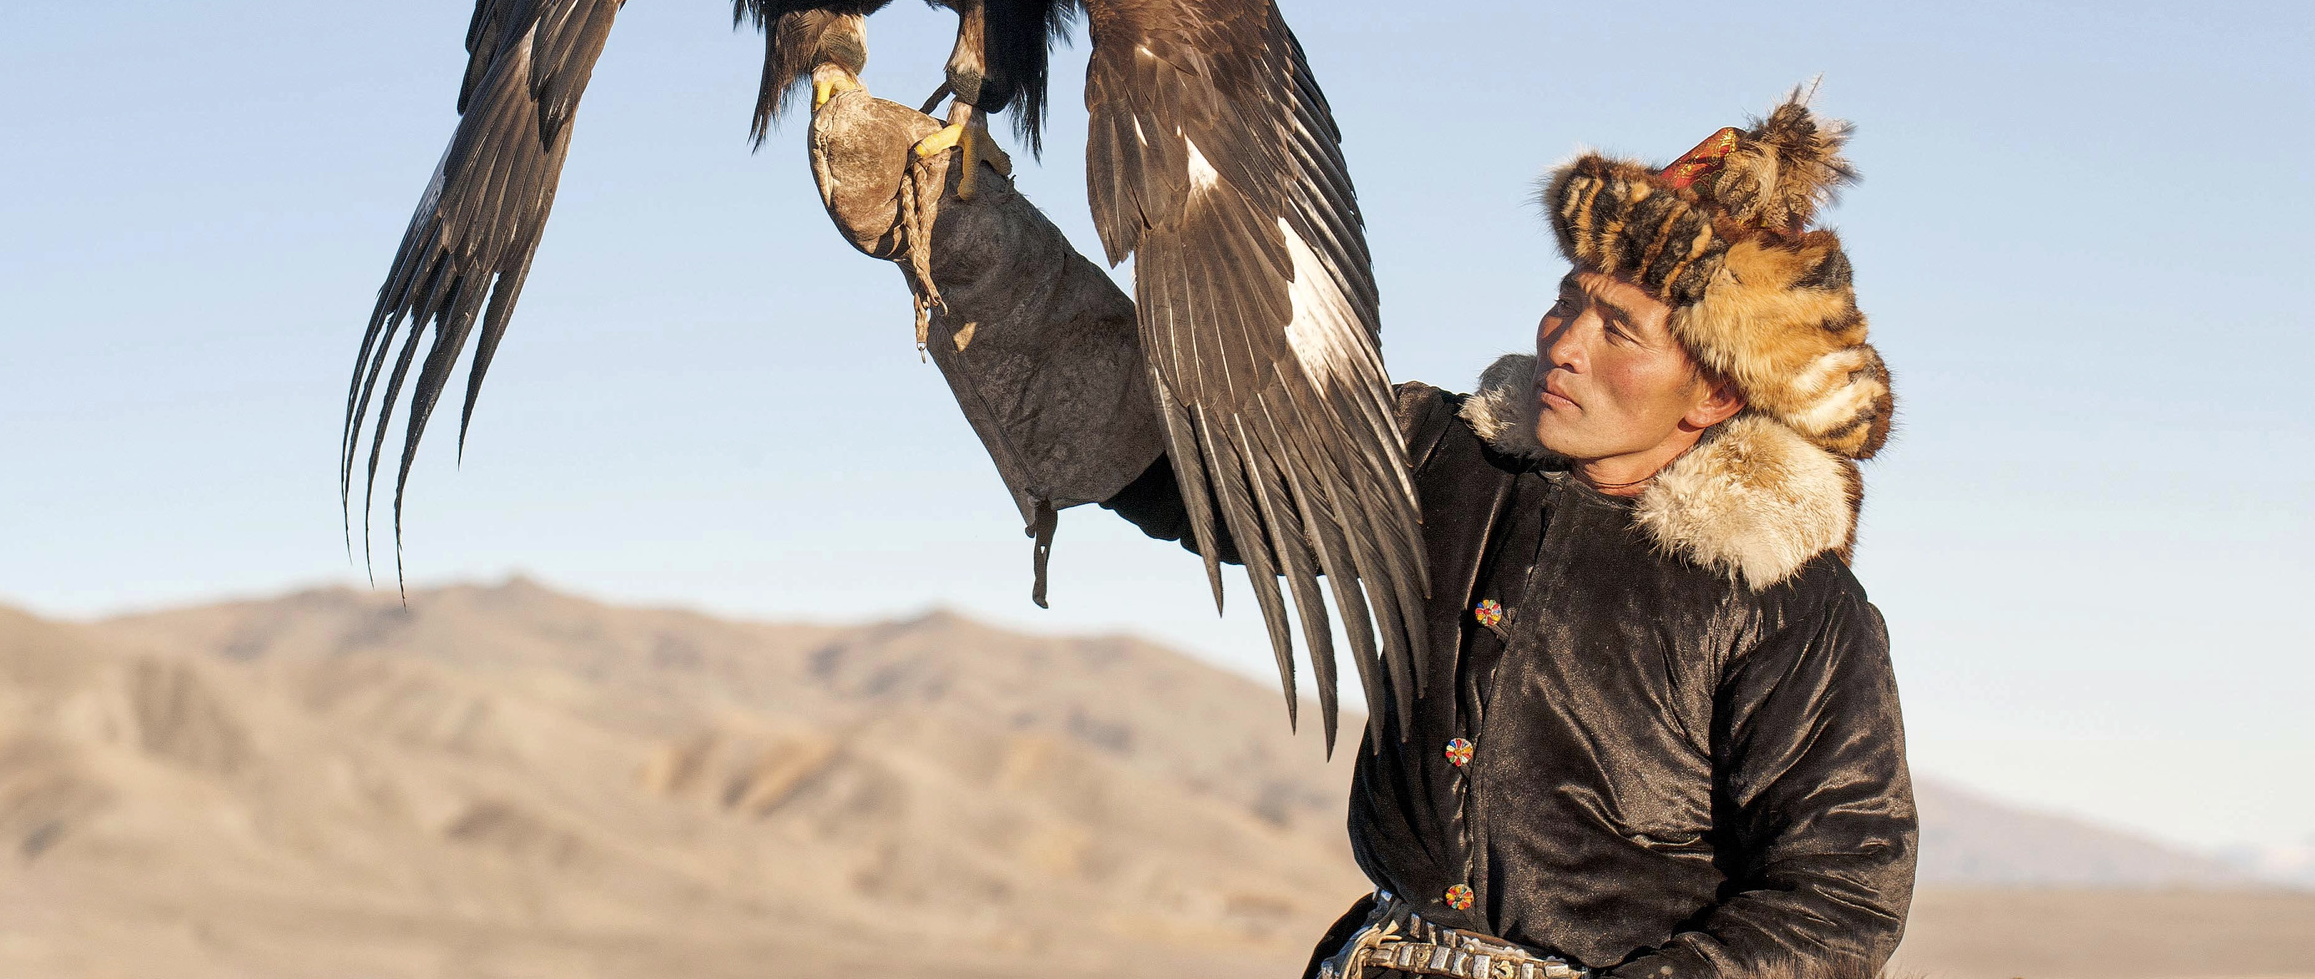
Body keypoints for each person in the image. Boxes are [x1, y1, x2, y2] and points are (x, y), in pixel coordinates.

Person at [806, 82, 1917, 978]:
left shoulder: (1788, 605)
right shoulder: (1439, 455)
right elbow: (1183, 448)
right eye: (1568, 298)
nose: (1563, 340)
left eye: (1615, 325)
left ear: (1717, 391)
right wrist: (962, 236)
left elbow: (1840, 888)